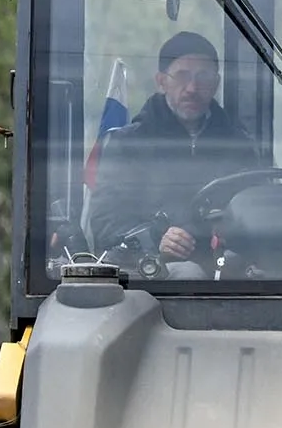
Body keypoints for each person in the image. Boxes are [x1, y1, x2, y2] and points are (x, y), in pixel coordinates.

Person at [86, 31, 262, 276]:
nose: (192, 88)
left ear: (217, 83)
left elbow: (258, 210)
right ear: (161, 81)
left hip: (228, 264)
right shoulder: (127, 145)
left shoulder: (239, 145)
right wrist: (155, 238)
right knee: (190, 274)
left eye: (203, 77)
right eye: (182, 76)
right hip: (155, 271)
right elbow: (106, 224)